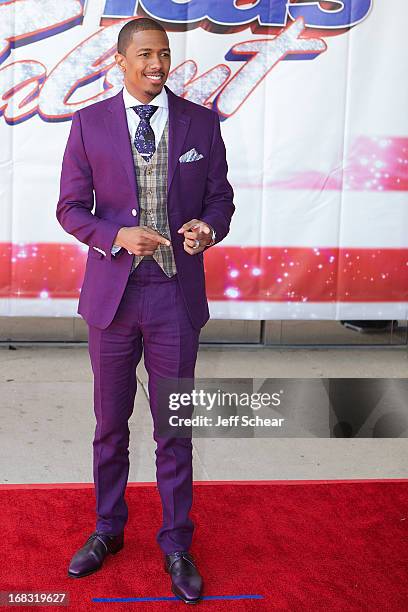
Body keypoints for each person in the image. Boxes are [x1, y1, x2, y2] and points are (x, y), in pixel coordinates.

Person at [56, 16, 234, 604]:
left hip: (175, 298)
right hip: (112, 298)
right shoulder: (89, 124)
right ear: (121, 59)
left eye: (163, 54)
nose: (157, 64)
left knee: (173, 428)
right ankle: (108, 530)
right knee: (110, 427)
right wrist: (115, 235)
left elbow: (220, 197)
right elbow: (70, 208)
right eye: (145, 55)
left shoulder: (201, 124)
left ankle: (176, 542)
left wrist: (208, 228)